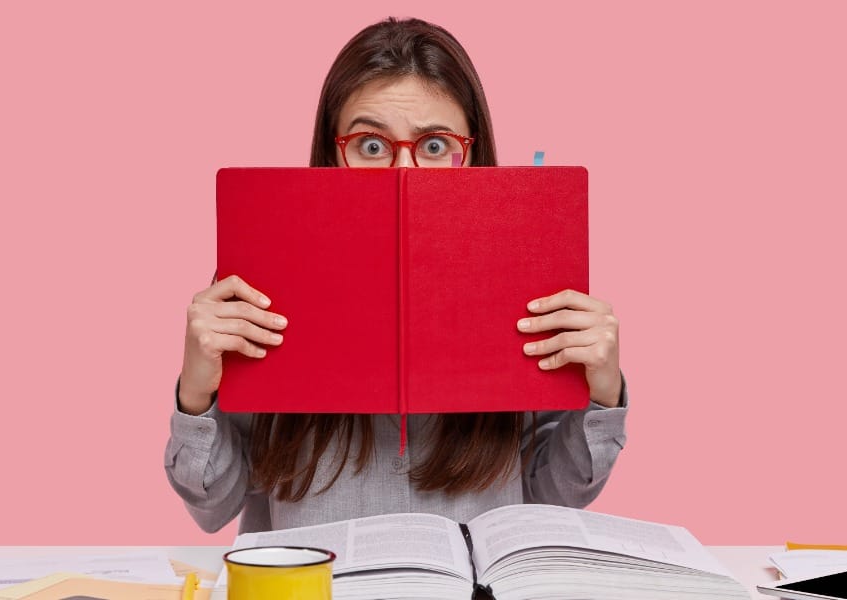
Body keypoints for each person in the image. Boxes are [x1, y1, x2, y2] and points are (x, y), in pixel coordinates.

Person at [165, 17, 628, 534]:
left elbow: (551, 499)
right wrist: (196, 396)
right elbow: (212, 508)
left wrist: (601, 393)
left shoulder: (522, 270)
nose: (402, 174)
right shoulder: (263, 279)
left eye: (434, 146)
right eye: (370, 145)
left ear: (471, 155)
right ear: (331, 153)